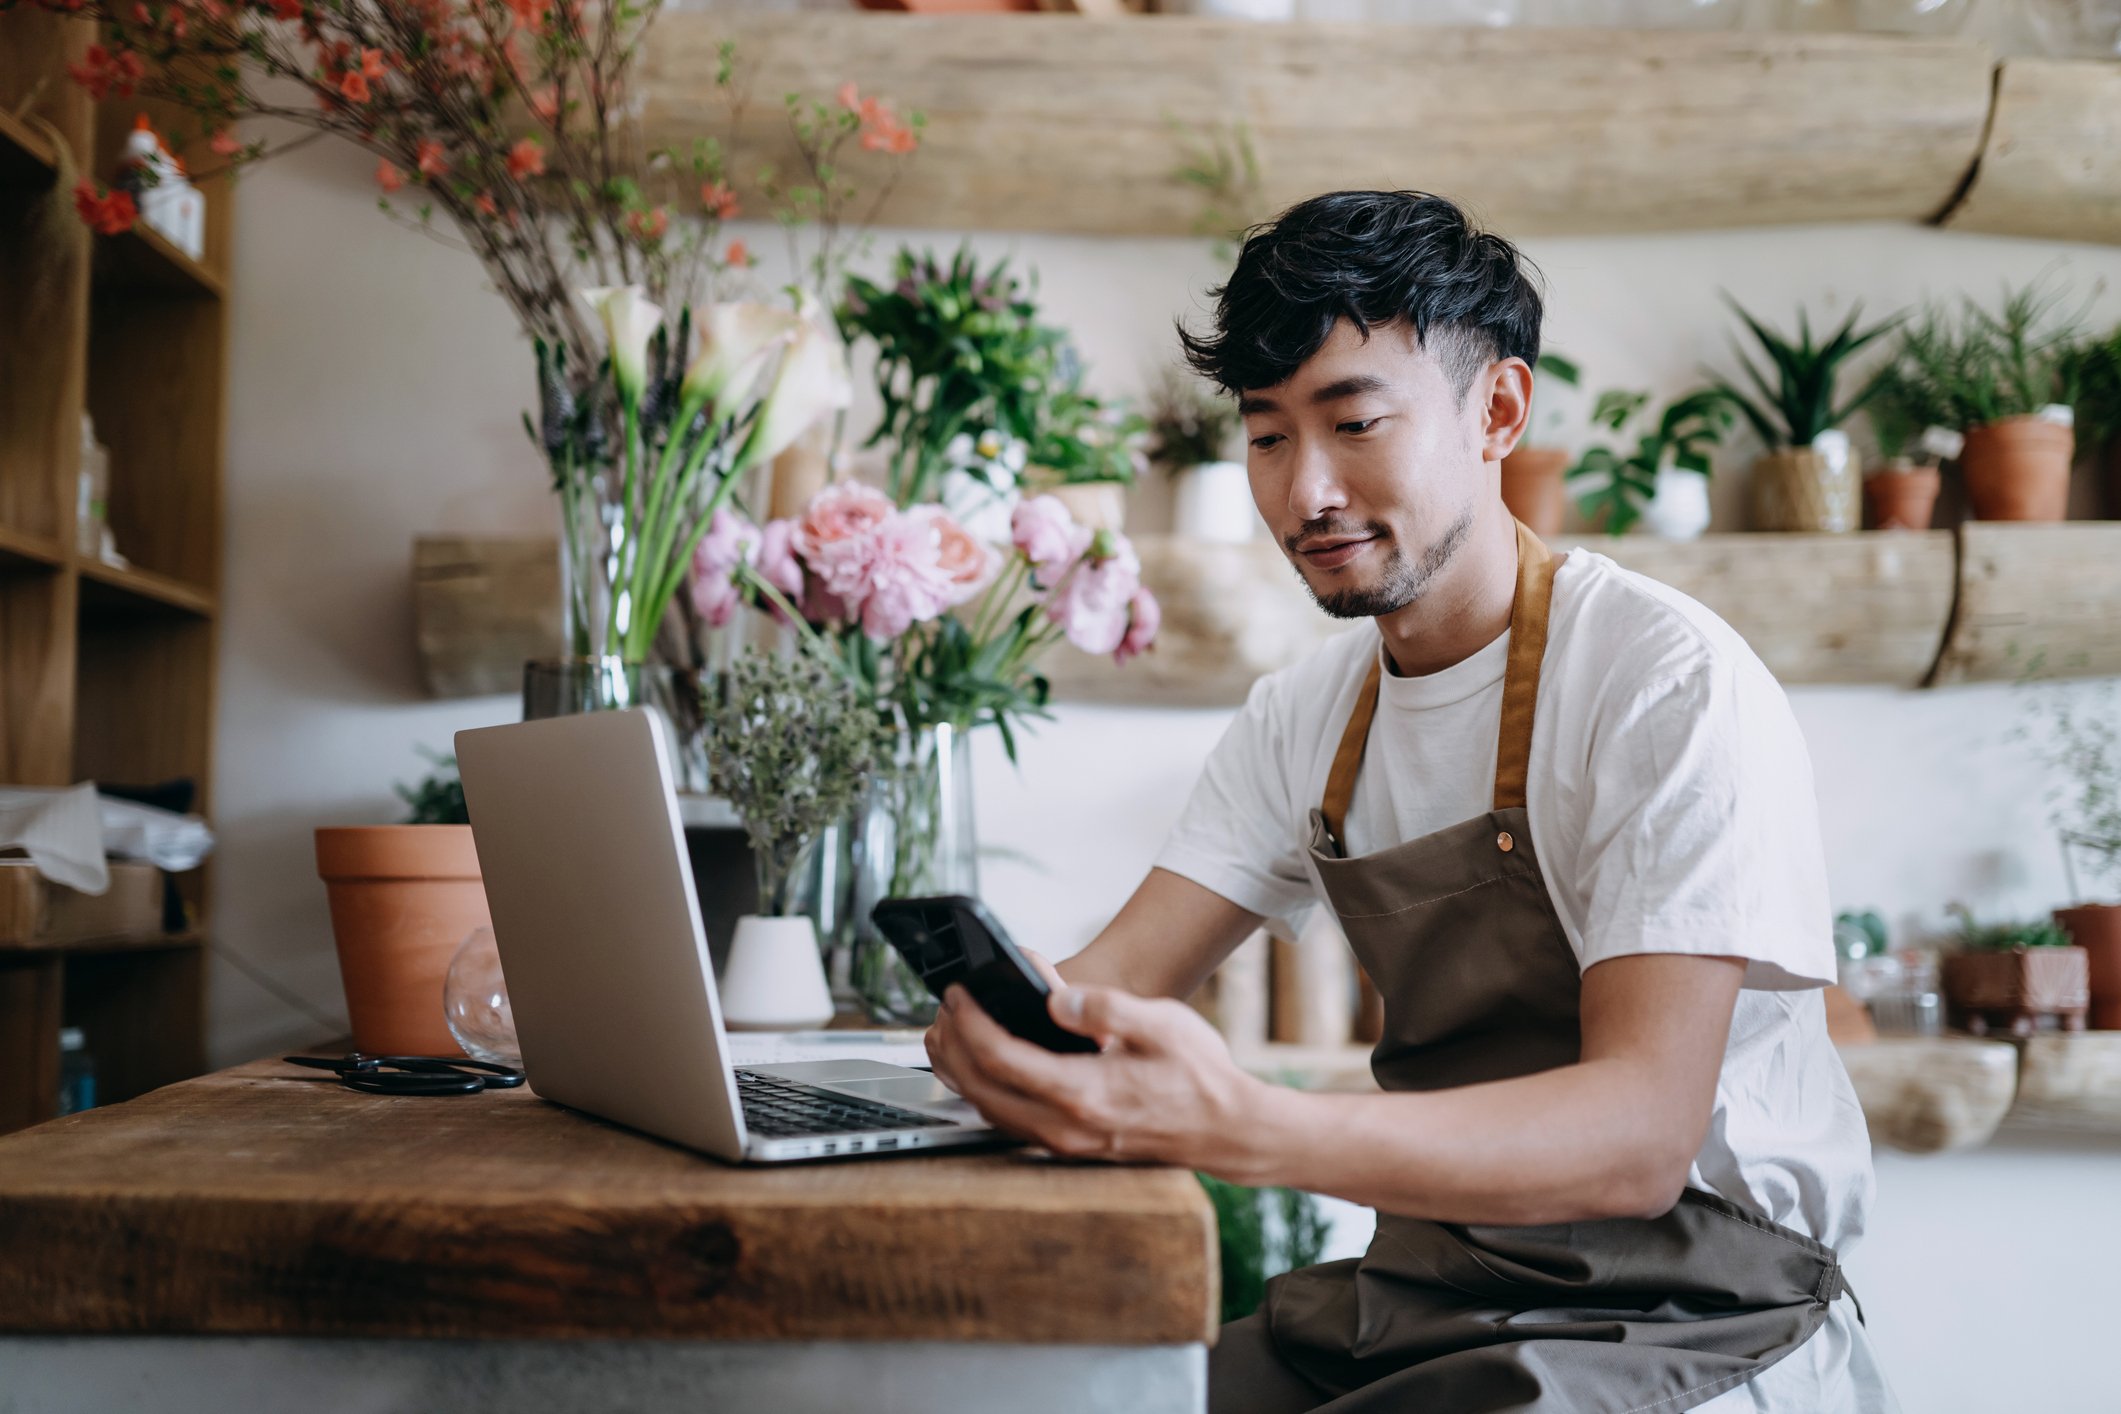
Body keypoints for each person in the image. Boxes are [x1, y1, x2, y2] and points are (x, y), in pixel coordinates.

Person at [922, 190, 1893, 1413]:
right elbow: (1101, 988)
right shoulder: (1308, 714)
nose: (1304, 492)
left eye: (1356, 424)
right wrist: (989, 1044)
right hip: (1437, 1284)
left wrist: (1238, 1123)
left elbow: (1642, 1137)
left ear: (1498, 411)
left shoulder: (1664, 682)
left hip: (1694, 1313)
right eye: (1267, 436)